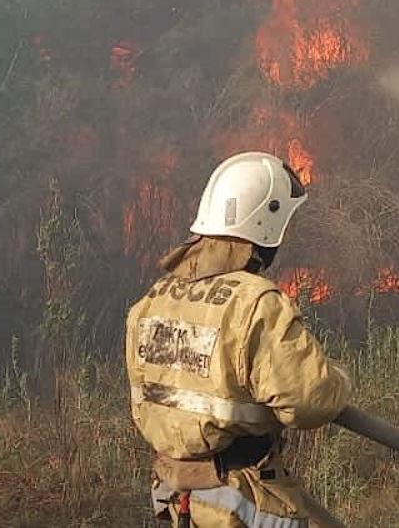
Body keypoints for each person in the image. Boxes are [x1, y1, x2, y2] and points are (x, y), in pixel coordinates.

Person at [126, 151, 351, 527]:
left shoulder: (152, 301)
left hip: (174, 492)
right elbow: (310, 401)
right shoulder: (256, 304)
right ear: (266, 226)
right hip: (239, 499)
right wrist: (339, 381)